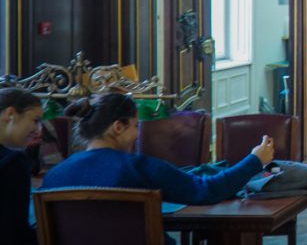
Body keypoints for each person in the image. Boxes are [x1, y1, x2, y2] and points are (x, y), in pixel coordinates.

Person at [41, 92, 273, 205]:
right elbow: (206, 190)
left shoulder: (55, 176)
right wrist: (255, 160)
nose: (137, 133)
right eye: (135, 126)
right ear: (118, 127)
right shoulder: (138, 168)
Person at [0, 88, 43, 245]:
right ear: (10, 114)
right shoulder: (12, 162)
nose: (39, 130)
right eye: (35, 120)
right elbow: (13, 232)